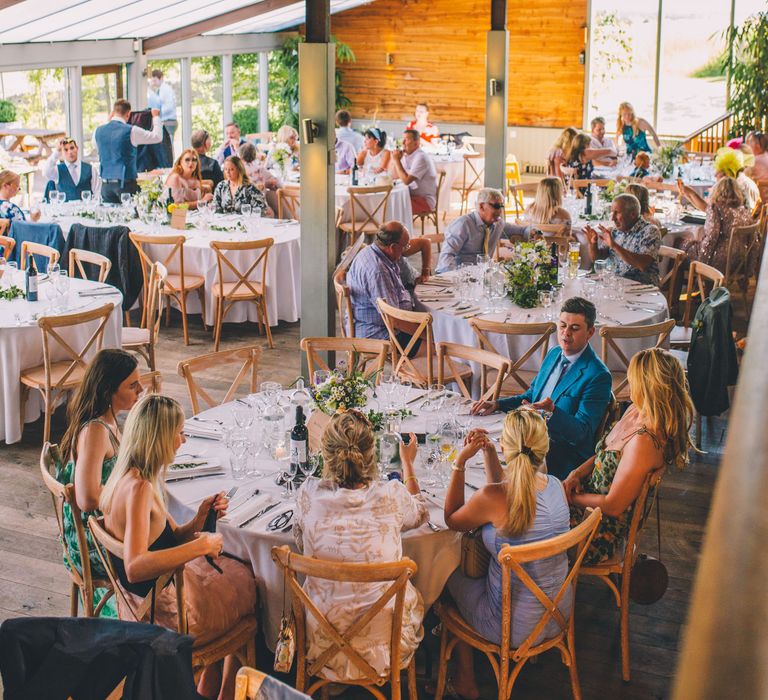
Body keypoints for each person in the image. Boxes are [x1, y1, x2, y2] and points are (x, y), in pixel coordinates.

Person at [99, 394, 257, 700]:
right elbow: (135, 566)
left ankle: (211, 685)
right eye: (178, 433)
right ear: (160, 438)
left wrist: (199, 518)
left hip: (137, 603)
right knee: (252, 584)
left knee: (235, 569)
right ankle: (227, 690)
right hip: (167, 611)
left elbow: (168, 538)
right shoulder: (140, 490)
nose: (182, 440)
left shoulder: (126, 477)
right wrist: (201, 547)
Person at [440, 410, 571, 699]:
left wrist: (460, 463)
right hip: (558, 612)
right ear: (544, 446)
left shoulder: (494, 497)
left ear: (505, 446)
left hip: (509, 625)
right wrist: (488, 455)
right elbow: (506, 493)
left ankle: (465, 679)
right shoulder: (556, 487)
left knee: (444, 574)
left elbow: (451, 518)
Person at [294, 410, 427, 682]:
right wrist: (408, 465)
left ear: (325, 454)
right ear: (371, 454)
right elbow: (420, 515)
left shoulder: (308, 493)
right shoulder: (391, 494)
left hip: (320, 639)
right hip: (385, 646)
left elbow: (299, 541)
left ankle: (332, 681)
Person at [565, 348, 694, 565]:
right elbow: (602, 454)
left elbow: (613, 505)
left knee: (525, 516)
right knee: (526, 497)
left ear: (647, 386)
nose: (628, 381)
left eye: (632, 377)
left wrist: (568, 497)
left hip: (595, 530)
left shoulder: (644, 442)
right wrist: (575, 474)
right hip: (584, 504)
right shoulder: (635, 409)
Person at [471, 297, 612, 480]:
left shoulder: (598, 375)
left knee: (488, 470)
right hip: (529, 440)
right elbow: (532, 396)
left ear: (590, 332)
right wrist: (497, 404)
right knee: (478, 450)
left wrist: (553, 412)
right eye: (562, 326)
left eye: (574, 328)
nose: (565, 333)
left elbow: (583, 434)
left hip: (559, 457)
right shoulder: (554, 353)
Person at [55, 350, 143, 616]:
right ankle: (155, 614)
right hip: (93, 540)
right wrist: (127, 494)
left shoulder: (110, 420)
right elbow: (87, 498)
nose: (142, 388)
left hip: (102, 524)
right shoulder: (95, 431)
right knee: (161, 543)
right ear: (108, 391)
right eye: (132, 385)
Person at [347, 221, 422, 345]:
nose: (406, 250)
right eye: (405, 246)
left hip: (384, 324)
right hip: (380, 333)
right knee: (439, 348)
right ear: (392, 247)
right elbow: (394, 319)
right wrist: (427, 336)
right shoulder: (378, 271)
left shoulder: (371, 251)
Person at [436, 188, 529, 272]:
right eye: (496, 206)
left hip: (482, 276)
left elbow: (523, 230)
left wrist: (535, 232)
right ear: (481, 206)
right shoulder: (463, 224)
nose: (500, 210)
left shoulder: (498, 224)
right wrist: (456, 279)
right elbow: (446, 258)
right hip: (459, 275)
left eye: (502, 206)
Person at [680, 176, 754, 274]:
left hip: (717, 262)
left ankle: (673, 286)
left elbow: (711, 238)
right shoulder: (744, 211)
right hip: (739, 262)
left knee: (679, 250)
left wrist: (703, 262)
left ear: (717, 191)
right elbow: (753, 240)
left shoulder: (716, 209)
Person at [94, 99, 163, 204]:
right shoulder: (131, 131)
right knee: (131, 218)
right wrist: (156, 117)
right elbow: (157, 137)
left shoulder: (98, 131)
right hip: (125, 185)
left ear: (113, 112)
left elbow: (98, 148)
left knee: (110, 219)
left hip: (106, 186)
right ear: (128, 114)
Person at [584, 193, 661, 286]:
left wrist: (614, 246)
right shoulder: (614, 231)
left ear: (632, 214)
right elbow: (597, 258)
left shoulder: (650, 231)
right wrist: (593, 244)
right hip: (615, 284)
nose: (612, 218)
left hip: (642, 289)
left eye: (617, 212)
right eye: (612, 212)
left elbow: (642, 264)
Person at [678, 146, 761, 214]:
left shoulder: (740, 186)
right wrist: (688, 194)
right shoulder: (735, 183)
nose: (715, 175)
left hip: (737, 233)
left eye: (718, 173)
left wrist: (691, 194)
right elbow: (710, 209)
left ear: (726, 174)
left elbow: (710, 211)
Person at [391, 129, 438, 214]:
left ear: (416, 143)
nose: (403, 143)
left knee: (393, 205)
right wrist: (396, 161)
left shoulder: (421, 157)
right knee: (390, 201)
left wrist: (397, 161)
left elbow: (406, 181)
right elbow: (394, 176)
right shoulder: (406, 156)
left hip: (424, 200)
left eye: (407, 139)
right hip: (410, 196)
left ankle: (400, 227)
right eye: (403, 139)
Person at [42, 137, 100, 202]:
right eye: (66, 150)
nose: (70, 152)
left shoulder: (90, 169)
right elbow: (46, 171)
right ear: (62, 152)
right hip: (64, 211)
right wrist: (57, 152)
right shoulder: (57, 170)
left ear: (77, 148)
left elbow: (97, 192)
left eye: (72, 148)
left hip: (86, 211)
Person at [146, 69, 177, 166]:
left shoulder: (165, 90)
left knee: (167, 147)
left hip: (168, 121)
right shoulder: (161, 90)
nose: (154, 83)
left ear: (161, 78)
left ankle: (169, 165)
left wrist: (158, 115)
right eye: (152, 81)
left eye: (155, 80)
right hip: (166, 120)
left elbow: (168, 106)